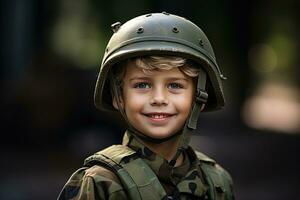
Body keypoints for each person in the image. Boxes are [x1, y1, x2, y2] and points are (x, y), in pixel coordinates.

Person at [58, 12, 234, 200]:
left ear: (200, 98)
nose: (159, 99)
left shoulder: (216, 181)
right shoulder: (101, 182)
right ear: (119, 97)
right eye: (142, 85)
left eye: (175, 85)